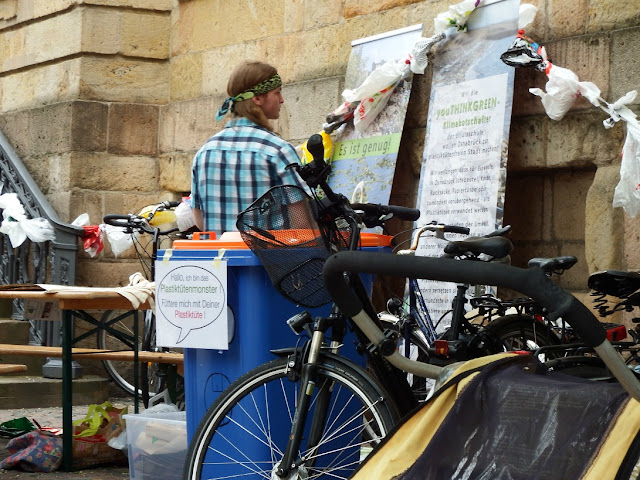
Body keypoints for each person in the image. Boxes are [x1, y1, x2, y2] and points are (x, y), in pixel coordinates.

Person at [190, 60, 305, 233]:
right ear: (257, 98)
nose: (281, 100)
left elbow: (199, 220)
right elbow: (302, 222)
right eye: (277, 93)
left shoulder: (204, 153)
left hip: (218, 258)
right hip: (267, 259)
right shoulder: (278, 151)